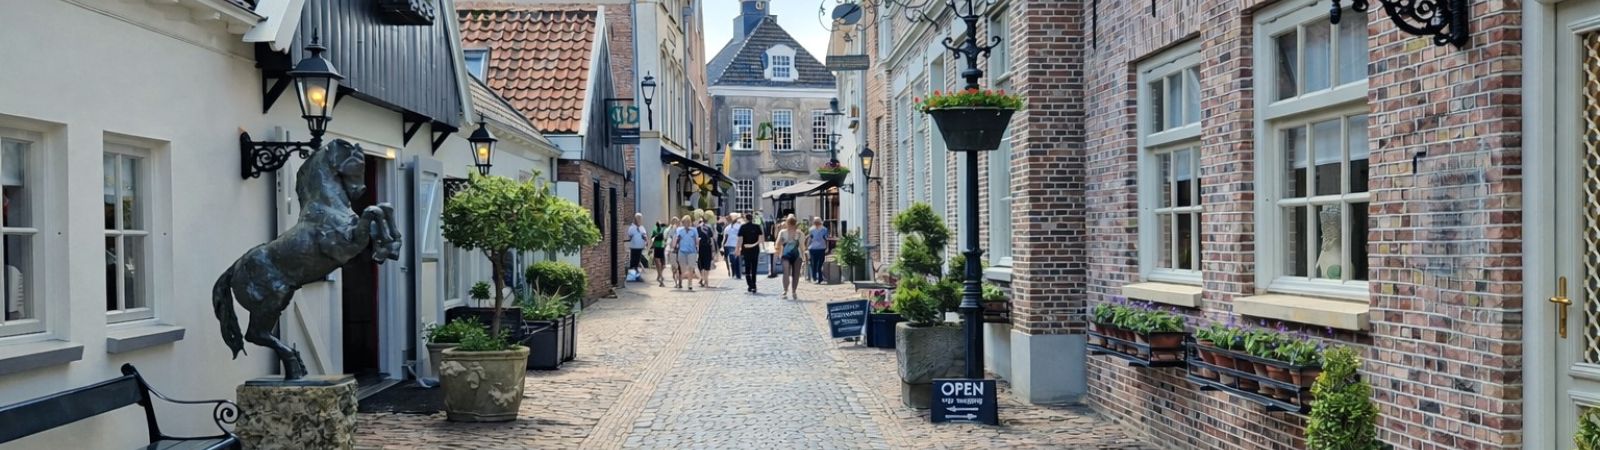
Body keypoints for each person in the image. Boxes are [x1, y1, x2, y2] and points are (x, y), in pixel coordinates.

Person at [737, 213, 764, 293]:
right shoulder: (757, 227)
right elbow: (760, 238)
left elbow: (740, 239)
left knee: (747, 267)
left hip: (746, 249)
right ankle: (754, 284)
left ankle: (750, 284)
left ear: (745, 219)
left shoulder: (743, 227)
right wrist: (761, 246)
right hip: (755, 249)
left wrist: (738, 249)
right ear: (752, 219)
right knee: (754, 267)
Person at [776, 216, 801, 299]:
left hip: (796, 255)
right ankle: (787, 290)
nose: (791, 226)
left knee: (794, 273)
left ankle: (792, 291)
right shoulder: (783, 232)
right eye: (790, 224)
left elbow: (802, 245)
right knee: (787, 272)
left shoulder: (799, 233)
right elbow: (778, 243)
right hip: (786, 254)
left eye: (792, 224)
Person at [673, 215, 699, 290]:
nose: (687, 223)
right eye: (685, 222)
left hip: (692, 251)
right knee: (683, 269)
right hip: (682, 251)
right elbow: (676, 239)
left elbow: (696, 240)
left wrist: (698, 247)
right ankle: (682, 278)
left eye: (688, 222)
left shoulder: (694, 230)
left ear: (690, 222)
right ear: (683, 223)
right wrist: (674, 246)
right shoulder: (679, 230)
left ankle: (690, 284)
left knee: (691, 267)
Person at [805, 217, 830, 284]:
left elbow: (826, 239)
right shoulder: (811, 229)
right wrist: (807, 247)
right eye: (815, 222)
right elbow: (810, 238)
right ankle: (814, 278)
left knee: (820, 264)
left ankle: (820, 278)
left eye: (818, 222)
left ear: (820, 222)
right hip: (813, 248)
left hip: (821, 248)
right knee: (813, 264)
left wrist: (827, 247)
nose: (816, 223)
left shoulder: (824, 229)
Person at [626, 213, 649, 281]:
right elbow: (630, 236)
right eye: (638, 219)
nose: (640, 220)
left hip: (640, 247)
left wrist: (646, 241)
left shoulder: (642, 227)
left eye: (640, 219)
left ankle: (635, 277)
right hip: (634, 247)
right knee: (633, 262)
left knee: (637, 262)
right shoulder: (632, 228)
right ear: (635, 219)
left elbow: (644, 235)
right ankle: (632, 277)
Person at [696, 217, 715, 287]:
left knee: (700, 265)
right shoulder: (708, 228)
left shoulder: (697, 229)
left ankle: (703, 278)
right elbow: (712, 238)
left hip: (700, 249)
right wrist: (713, 250)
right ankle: (706, 280)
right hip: (707, 248)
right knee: (706, 265)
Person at [650, 220, 669, 287]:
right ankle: (660, 277)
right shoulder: (655, 229)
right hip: (657, 248)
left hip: (662, 248)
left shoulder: (664, 229)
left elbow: (665, 238)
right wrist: (652, 246)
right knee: (658, 263)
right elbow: (652, 238)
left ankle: (659, 275)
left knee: (663, 265)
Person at [724, 213, 743, 277]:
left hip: (731, 245)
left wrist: (723, 245)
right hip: (734, 245)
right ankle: (736, 273)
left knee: (733, 260)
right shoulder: (739, 226)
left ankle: (734, 273)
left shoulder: (728, 227)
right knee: (736, 260)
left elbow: (725, 238)